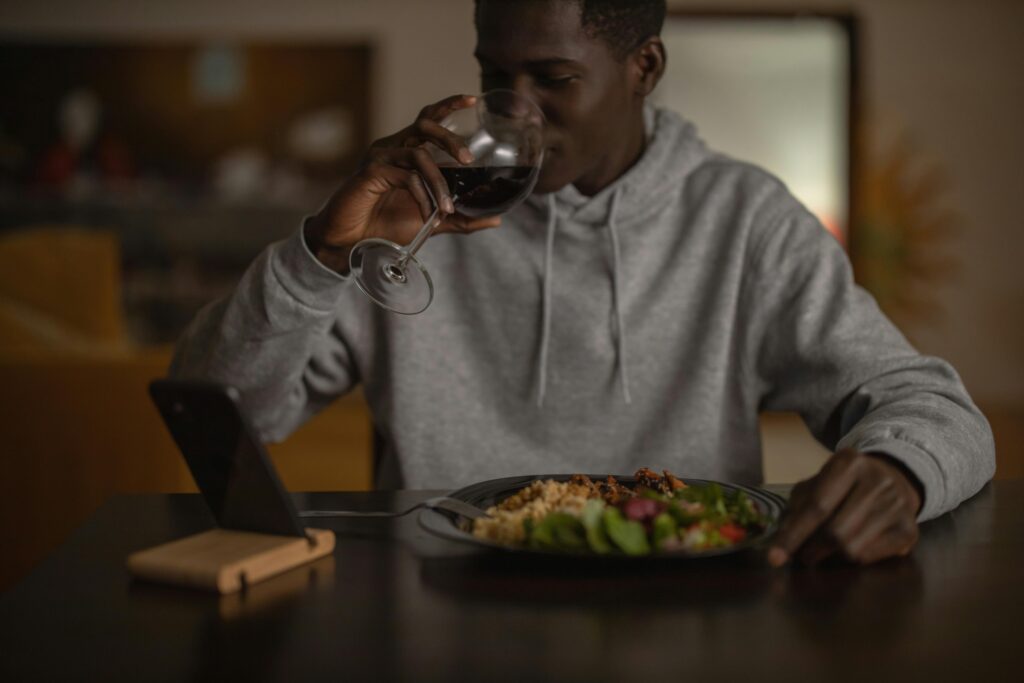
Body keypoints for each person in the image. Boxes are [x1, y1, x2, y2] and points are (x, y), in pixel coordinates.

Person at [171, 0, 994, 566]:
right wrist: (318, 253)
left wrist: (902, 471)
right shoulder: (413, 213)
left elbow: (938, 409)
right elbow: (214, 407)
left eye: (552, 79)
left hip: (681, 621)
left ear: (645, 66)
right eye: (497, 75)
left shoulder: (745, 221)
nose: (512, 114)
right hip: (440, 615)